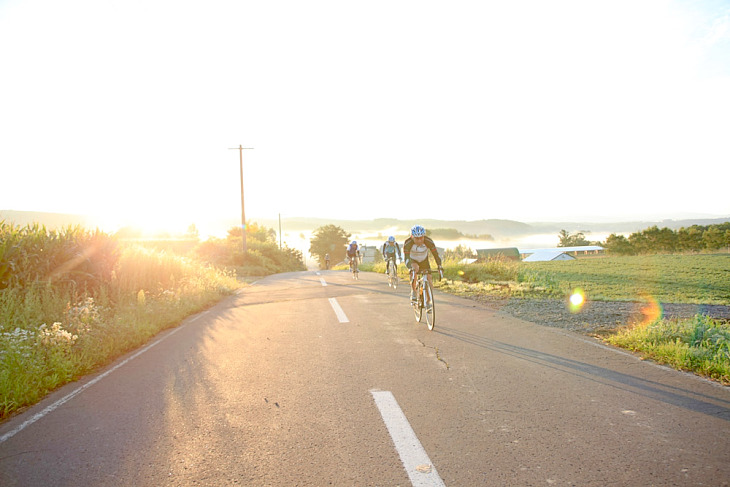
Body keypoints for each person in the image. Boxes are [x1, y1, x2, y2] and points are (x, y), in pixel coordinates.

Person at [403, 225, 443, 304]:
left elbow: (436, 255)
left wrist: (439, 266)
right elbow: (406, 258)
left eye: (421, 237)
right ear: (412, 237)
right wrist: (410, 267)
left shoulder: (428, 241)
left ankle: (428, 301)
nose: (419, 240)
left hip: (424, 260)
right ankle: (413, 291)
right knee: (415, 269)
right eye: (417, 238)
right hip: (413, 260)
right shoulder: (408, 243)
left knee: (429, 278)